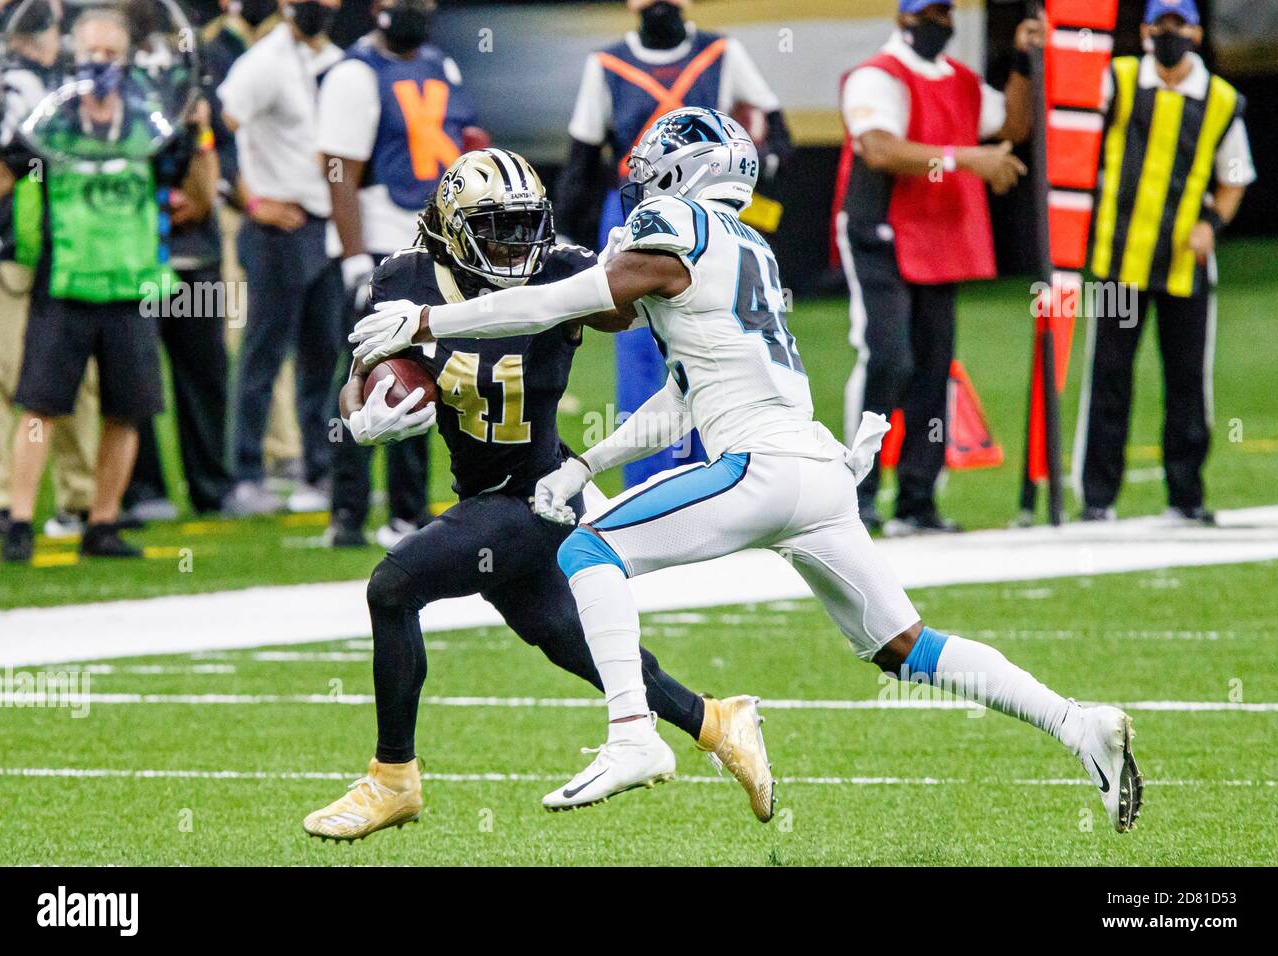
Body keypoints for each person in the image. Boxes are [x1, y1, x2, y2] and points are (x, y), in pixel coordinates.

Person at [351, 108, 1144, 833]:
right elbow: (683, 397)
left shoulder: (673, 222)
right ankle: (1077, 722)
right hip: (820, 475)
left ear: (688, 172)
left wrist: (426, 319)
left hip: (757, 468)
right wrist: (587, 462)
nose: (642, 176)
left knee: (585, 551)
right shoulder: (749, 247)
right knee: (905, 647)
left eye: (659, 161)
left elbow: (560, 301)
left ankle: (634, 736)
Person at [303, 149, 771, 841]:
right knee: (567, 640)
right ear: (454, 228)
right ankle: (715, 720)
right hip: (486, 494)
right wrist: (365, 408)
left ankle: (392, 777)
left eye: (527, 227)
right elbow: (360, 371)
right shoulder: (403, 277)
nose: (516, 245)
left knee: (393, 587)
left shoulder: (565, 268)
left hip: (542, 496)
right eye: (497, 228)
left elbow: (648, 306)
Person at [0, 7, 208, 562]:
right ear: (72, 55)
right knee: (40, 407)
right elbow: (6, 170)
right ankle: (19, 520)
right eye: (91, 52)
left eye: (111, 53)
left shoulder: (150, 124)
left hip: (132, 281)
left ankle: (103, 521)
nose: (100, 63)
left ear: (128, 58)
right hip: (66, 278)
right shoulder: (51, 123)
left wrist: (199, 125)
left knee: (126, 411)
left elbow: (191, 183)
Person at [555, 0, 791, 488]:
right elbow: (582, 156)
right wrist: (569, 239)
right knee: (640, 345)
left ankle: (723, 471)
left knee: (717, 338)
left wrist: (753, 175)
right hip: (635, 211)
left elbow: (777, 133)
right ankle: (650, 486)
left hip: (710, 214)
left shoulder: (721, 52)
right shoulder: (607, 65)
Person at [834, 0, 1040, 534]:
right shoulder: (875, 77)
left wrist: (1021, 61)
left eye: (945, 13)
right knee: (888, 357)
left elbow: (1012, 125)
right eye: (929, 13)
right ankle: (857, 490)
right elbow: (878, 149)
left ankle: (918, 498)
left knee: (933, 368)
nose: (938, 24)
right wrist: (965, 158)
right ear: (903, 18)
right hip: (879, 229)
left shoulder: (962, 81)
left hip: (939, 235)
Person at [1073, 0, 1253, 526]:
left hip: (1183, 265)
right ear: (1147, 30)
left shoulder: (1220, 100)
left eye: (1179, 25)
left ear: (1195, 32)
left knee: (1187, 379)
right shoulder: (1121, 79)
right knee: (1108, 376)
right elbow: (1077, 119)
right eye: (1161, 25)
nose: (1169, 35)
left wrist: (1211, 224)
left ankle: (1185, 496)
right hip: (1117, 260)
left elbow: (1235, 175)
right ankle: (1097, 498)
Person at [316, 0, 481, 548]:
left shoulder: (442, 64)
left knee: (424, 379)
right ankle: (347, 512)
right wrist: (354, 256)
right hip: (380, 247)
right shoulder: (354, 74)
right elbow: (339, 171)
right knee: (362, 376)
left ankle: (409, 513)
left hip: (432, 247)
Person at [218, 0, 343, 515]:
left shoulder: (327, 60)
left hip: (321, 226)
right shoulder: (264, 61)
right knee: (263, 354)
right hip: (277, 229)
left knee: (324, 355)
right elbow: (218, 126)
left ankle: (317, 472)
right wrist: (249, 200)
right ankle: (245, 475)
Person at [0, 0, 99, 541]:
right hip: (8, 242)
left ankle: (81, 498)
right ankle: (0, 498)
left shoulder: (85, 63)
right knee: (3, 376)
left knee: (79, 381)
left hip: (75, 246)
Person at [122, 97, 234, 521]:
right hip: (136, 261)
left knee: (205, 375)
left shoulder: (196, 83)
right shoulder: (123, 93)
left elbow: (229, 147)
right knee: (135, 377)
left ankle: (211, 487)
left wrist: (203, 142)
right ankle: (143, 488)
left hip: (196, 257)